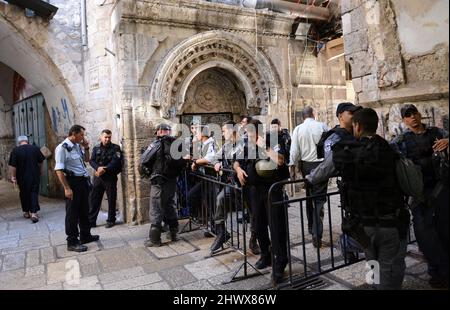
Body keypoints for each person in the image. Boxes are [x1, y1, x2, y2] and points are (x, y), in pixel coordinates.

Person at [310, 108, 410, 290]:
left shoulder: (346, 150)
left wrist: (308, 178)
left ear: (357, 126)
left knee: (372, 261)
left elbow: (319, 174)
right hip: (390, 219)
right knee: (390, 264)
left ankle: (376, 286)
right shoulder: (389, 148)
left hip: (362, 223)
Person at [391, 104, 449, 288]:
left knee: (445, 232)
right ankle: (437, 271)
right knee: (425, 237)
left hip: (441, 189)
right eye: (407, 115)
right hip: (419, 195)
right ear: (404, 120)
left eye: (414, 113)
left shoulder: (437, 132)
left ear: (419, 114)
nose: (412, 117)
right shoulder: (401, 140)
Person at [234, 119, 290, 284]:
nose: (249, 135)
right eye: (247, 132)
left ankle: (280, 261)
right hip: (254, 190)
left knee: (276, 226)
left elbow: (280, 161)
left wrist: (264, 146)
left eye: (251, 132)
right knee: (258, 225)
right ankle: (266, 255)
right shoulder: (247, 144)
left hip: (272, 191)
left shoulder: (272, 140)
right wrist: (238, 169)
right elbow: (236, 158)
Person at [306, 102, 363, 257]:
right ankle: (348, 249)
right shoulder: (335, 136)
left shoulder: (357, 132)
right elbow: (331, 163)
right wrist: (311, 178)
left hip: (362, 184)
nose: (354, 116)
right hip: (350, 184)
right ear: (340, 116)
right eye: (350, 113)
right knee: (351, 217)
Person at [55, 125, 99, 252]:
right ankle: (72, 241)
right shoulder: (62, 148)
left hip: (82, 182)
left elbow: (86, 160)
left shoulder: (77, 146)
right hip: (72, 182)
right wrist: (67, 188)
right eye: (81, 135)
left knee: (84, 210)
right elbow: (58, 170)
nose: (83, 137)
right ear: (73, 133)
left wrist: (86, 148)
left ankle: (85, 235)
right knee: (72, 213)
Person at [143, 123, 189, 247]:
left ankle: (155, 239)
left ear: (159, 131)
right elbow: (184, 161)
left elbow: (144, 160)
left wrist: (147, 174)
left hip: (159, 182)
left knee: (156, 209)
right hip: (172, 181)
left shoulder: (157, 144)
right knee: (170, 206)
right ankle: (174, 234)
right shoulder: (177, 144)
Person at [288, 107, 329, 245]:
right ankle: (317, 234)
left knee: (309, 197)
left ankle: (311, 227)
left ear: (302, 117)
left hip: (306, 166)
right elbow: (329, 145)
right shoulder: (322, 126)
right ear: (314, 114)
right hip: (321, 166)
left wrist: (292, 167)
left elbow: (294, 151)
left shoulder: (298, 129)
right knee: (319, 200)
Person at [209, 121, 240, 253]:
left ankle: (254, 238)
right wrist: (217, 163)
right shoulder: (227, 145)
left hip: (243, 183)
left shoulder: (242, 144)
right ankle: (222, 233)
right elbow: (215, 157)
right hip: (231, 183)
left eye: (223, 131)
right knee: (220, 199)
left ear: (232, 131)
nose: (222, 133)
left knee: (254, 213)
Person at [88, 129, 123, 228]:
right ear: (101, 137)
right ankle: (91, 221)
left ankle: (111, 220)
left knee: (111, 199)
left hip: (110, 177)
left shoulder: (116, 148)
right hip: (98, 177)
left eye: (109, 137)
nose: (107, 139)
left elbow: (116, 161)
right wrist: (97, 168)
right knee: (94, 199)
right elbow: (91, 161)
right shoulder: (96, 148)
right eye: (105, 137)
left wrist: (105, 169)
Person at [8, 135, 45, 223]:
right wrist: (40, 171)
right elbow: (41, 161)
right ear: (27, 141)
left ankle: (27, 212)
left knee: (24, 193)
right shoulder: (35, 149)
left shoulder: (15, 150)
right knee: (34, 192)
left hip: (21, 177)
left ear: (19, 142)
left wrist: (13, 176)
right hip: (34, 175)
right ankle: (34, 213)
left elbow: (13, 166)